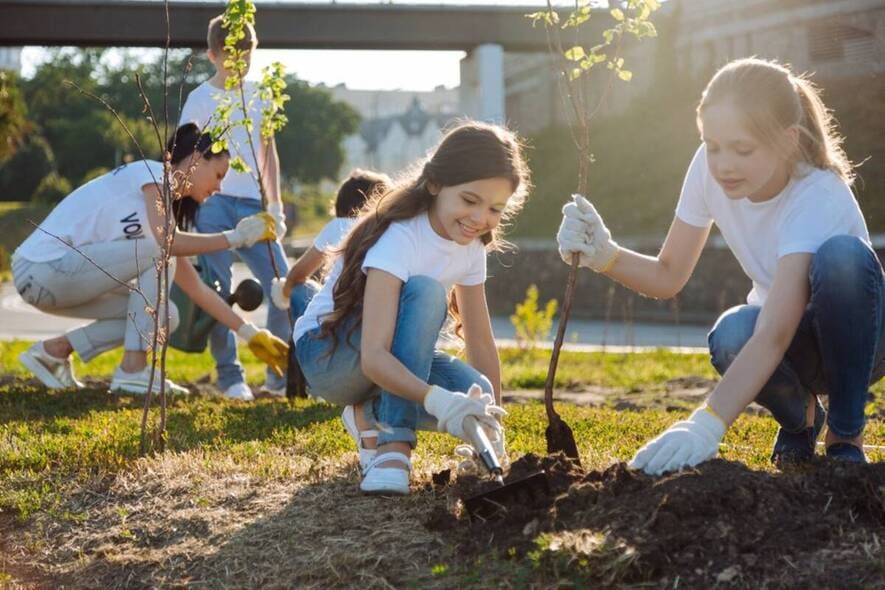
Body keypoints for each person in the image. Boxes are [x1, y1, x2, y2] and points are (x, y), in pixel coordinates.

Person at [557, 58, 882, 474]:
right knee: (731, 334)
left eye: (742, 149)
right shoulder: (708, 170)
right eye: (713, 146)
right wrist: (606, 256)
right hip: (788, 344)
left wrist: (706, 422)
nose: (723, 163)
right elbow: (668, 275)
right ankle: (801, 420)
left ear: (787, 141)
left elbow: (775, 332)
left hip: (862, 341)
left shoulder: (818, 194)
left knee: (843, 258)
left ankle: (845, 431)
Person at [292, 121, 530, 494]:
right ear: (435, 184)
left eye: (495, 208)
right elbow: (373, 357)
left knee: (476, 391)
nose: (481, 218)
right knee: (426, 291)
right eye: (470, 200)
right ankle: (393, 447)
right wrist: (438, 401)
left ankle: (367, 413)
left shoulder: (471, 246)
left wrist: (491, 425)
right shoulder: (400, 235)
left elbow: (481, 345)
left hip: (388, 357)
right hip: (329, 355)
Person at [13, 124, 289, 396]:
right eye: (218, 175)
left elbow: (197, 290)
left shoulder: (159, 222)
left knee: (167, 314)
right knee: (162, 251)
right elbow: (168, 244)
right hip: (41, 269)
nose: (218, 188)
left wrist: (249, 333)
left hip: (60, 281)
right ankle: (133, 371)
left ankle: (54, 352)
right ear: (196, 159)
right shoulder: (152, 173)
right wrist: (236, 237)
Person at [179, 13, 290, 400]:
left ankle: (278, 374)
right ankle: (230, 377)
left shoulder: (262, 94)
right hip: (212, 203)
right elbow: (185, 157)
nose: (240, 60)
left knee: (282, 286)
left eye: (247, 52)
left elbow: (268, 151)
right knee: (218, 289)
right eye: (231, 54)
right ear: (212, 55)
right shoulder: (199, 99)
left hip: (253, 204)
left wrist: (275, 206)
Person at [269, 169, 391, 323]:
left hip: (336, 317)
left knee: (298, 289)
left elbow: (297, 274)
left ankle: (296, 342)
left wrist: (283, 293)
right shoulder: (389, 230)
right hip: (376, 317)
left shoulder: (339, 225)